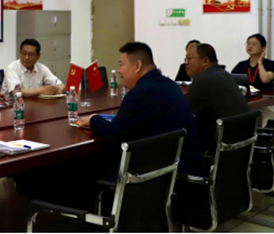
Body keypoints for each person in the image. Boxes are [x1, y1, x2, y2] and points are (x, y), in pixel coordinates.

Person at [79, 41, 202, 175]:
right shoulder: (170, 85)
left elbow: (113, 132)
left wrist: (93, 119)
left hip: (157, 175)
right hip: (180, 169)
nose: (119, 70)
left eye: (121, 64)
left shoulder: (140, 93)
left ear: (137, 66)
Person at [185, 43, 249, 154]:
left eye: (189, 58)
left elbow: (185, 114)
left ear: (205, 61)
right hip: (241, 147)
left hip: (222, 149)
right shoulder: (225, 75)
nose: (186, 63)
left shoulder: (203, 80)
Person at [0, 38, 65, 97]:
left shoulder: (41, 68)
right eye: (24, 53)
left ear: (38, 56)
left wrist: (58, 90)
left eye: (30, 54)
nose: (26, 57)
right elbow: (16, 92)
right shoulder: (12, 68)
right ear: (20, 52)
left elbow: (60, 85)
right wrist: (41, 90)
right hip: (11, 104)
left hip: (34, 103)